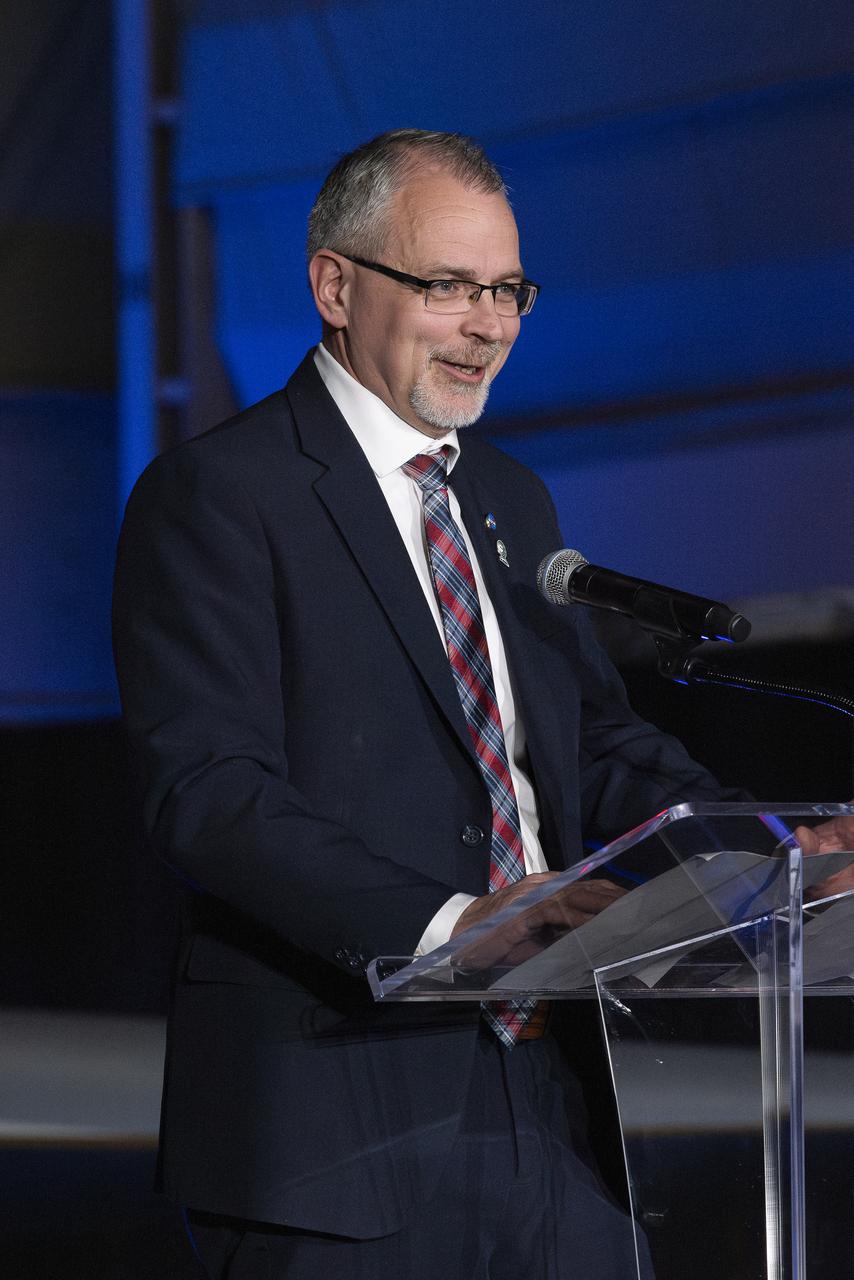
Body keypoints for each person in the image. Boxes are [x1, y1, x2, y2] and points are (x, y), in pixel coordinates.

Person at [112, 129, 850, 1280]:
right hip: (336, 1123)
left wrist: (765, 853)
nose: (489, 323)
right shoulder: (218, 495)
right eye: (449, 285)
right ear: (334, 284)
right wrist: (454, 927)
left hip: (558, 1106)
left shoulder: (507, 496)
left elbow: (589, 747)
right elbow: (208, 795)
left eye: (507, 289)